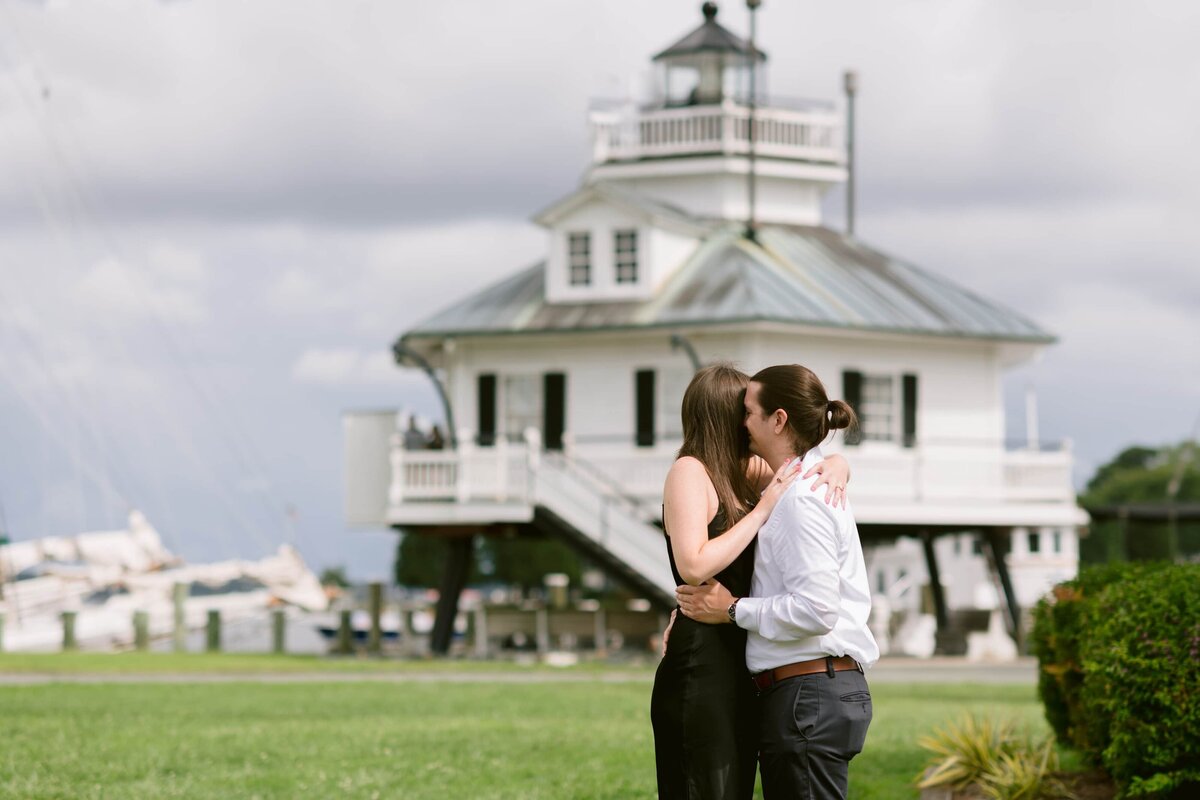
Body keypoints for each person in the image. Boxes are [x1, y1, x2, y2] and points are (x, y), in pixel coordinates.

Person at [677, 364, 878, 800]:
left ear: (779, 419)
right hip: (814, 693)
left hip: (809, 695)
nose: (741, 422)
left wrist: (732, 610)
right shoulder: (801, 482)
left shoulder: (800, 500)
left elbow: (817, 609)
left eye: (747, 412)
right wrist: (837, 461)